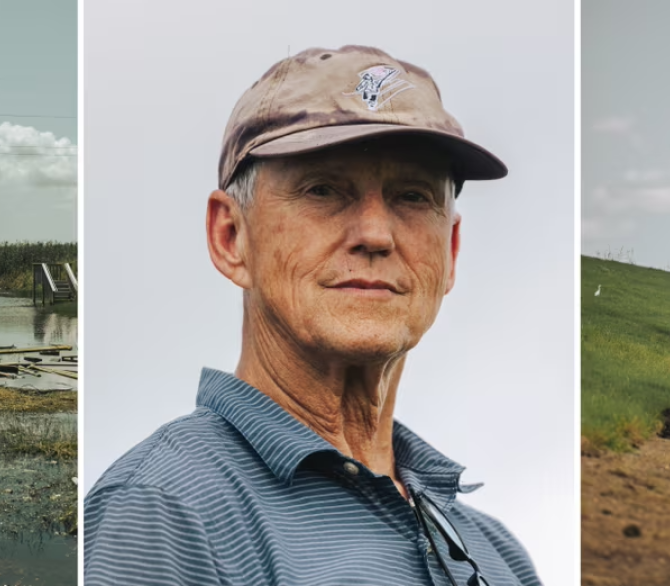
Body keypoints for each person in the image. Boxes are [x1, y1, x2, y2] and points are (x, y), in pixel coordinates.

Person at [84, 45, 543, 586]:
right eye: (323, 189)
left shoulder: (498, 555)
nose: (375, 234)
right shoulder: (168, 511)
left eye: (413, 197)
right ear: (230, 237)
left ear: (451, 253)